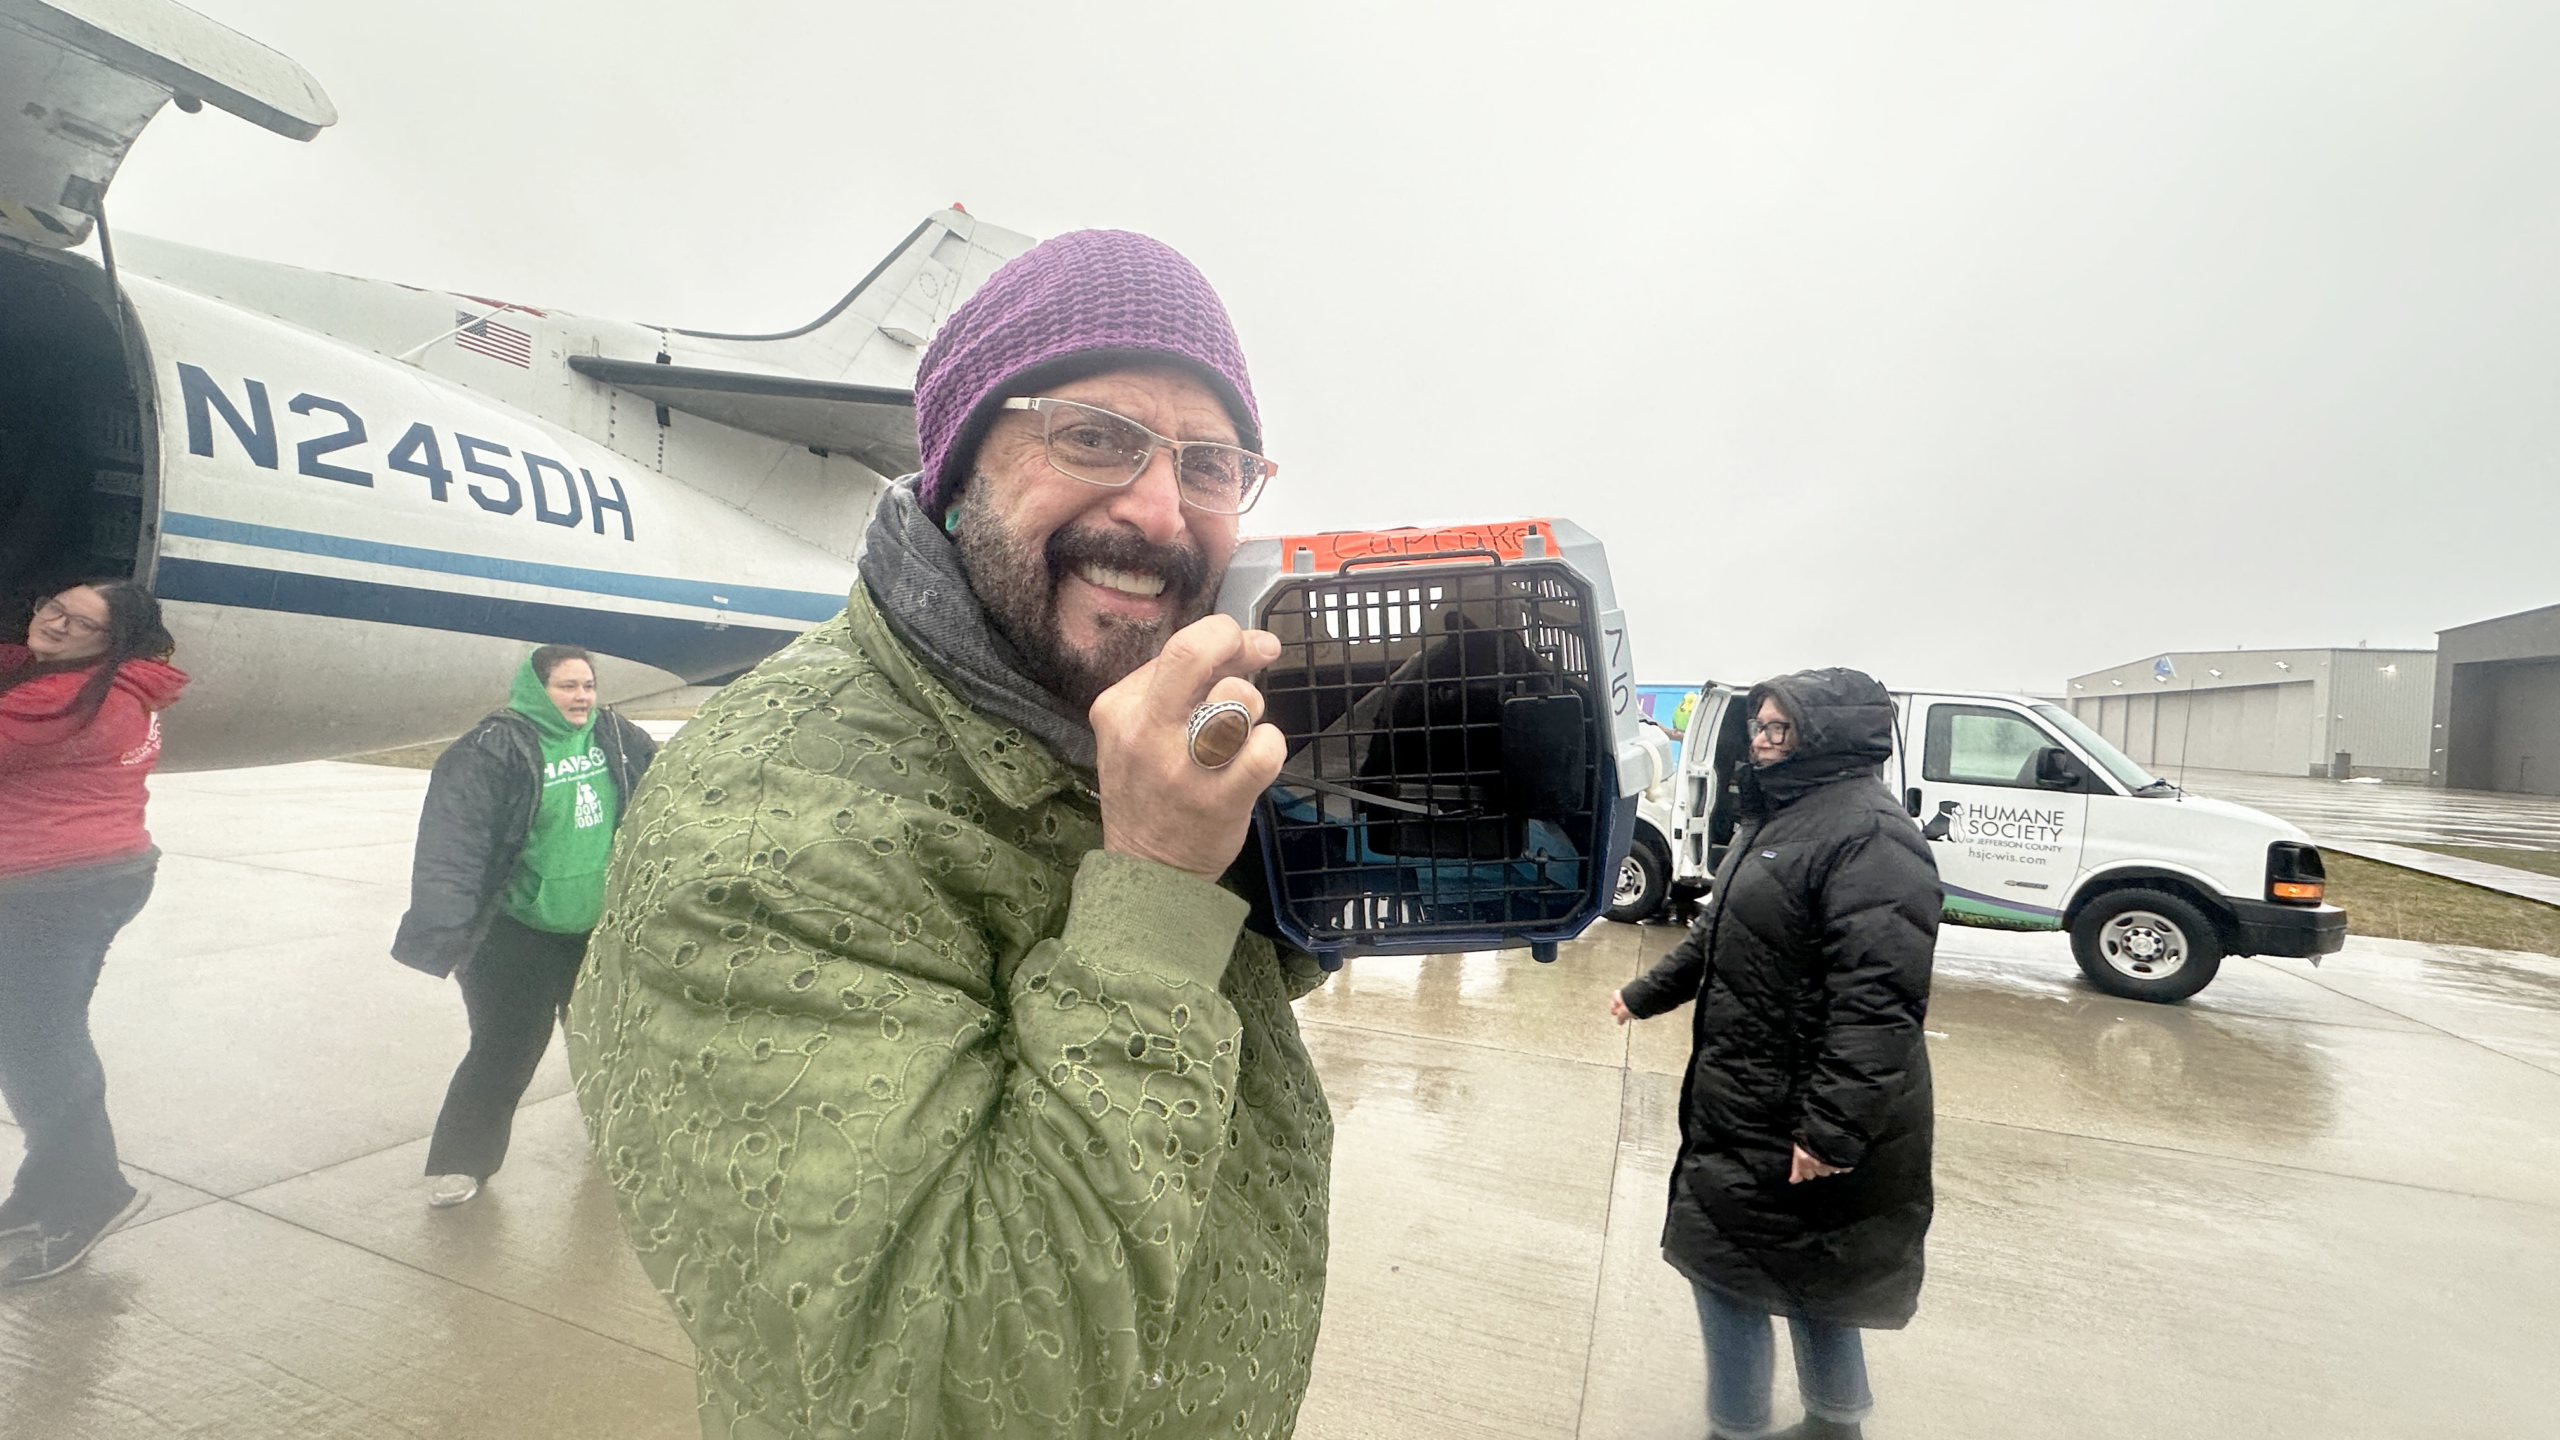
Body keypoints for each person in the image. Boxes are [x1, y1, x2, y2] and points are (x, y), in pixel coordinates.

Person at [566, 230, 1331, 1440]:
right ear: (958, 470)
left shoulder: (1093, 732)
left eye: (1211, 463)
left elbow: (1208, 1023)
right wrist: (1154, 885)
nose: (1158, 511)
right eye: (1092, 437)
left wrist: (1317, 865)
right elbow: (931, 1383)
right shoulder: (763, 819)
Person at [1609, 670, 1939, 1440]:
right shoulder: (1782, 817)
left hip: (1800, 1110)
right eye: (1758, 726)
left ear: (1829, 735)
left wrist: (1830, 1131)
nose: (1761, 740)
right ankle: (1834, 1423)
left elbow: (1878, 1003)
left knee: (1727, 1274)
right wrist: (1649, 993)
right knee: (1801, 1272)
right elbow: (1720, 933)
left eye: (1780, 729)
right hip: (1751, 1097)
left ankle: (1745, 1429)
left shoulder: (1871, 836)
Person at [393, 644, 655, 1208]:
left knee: (610, 1045)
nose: (582, 697)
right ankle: (463, 1163)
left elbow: (663, 788)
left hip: (595, 931)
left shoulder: (614, 735)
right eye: (567, 686)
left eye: (587, 685)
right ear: (538, 690)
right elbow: (452, 847)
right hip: (516, 934)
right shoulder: (493, 750)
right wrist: (446, 928)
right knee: (505, 1048)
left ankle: (624, 1140)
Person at [0, 580, 185, 1285]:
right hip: (86, 878)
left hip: (58, 891)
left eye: (78, 622)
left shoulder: (64, 702)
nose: (53, 621)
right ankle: (45, 1191)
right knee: (31, 1043)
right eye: (53, 604)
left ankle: (97, 1195)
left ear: (108, 644)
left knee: (40, 1046)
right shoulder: (107, 685)